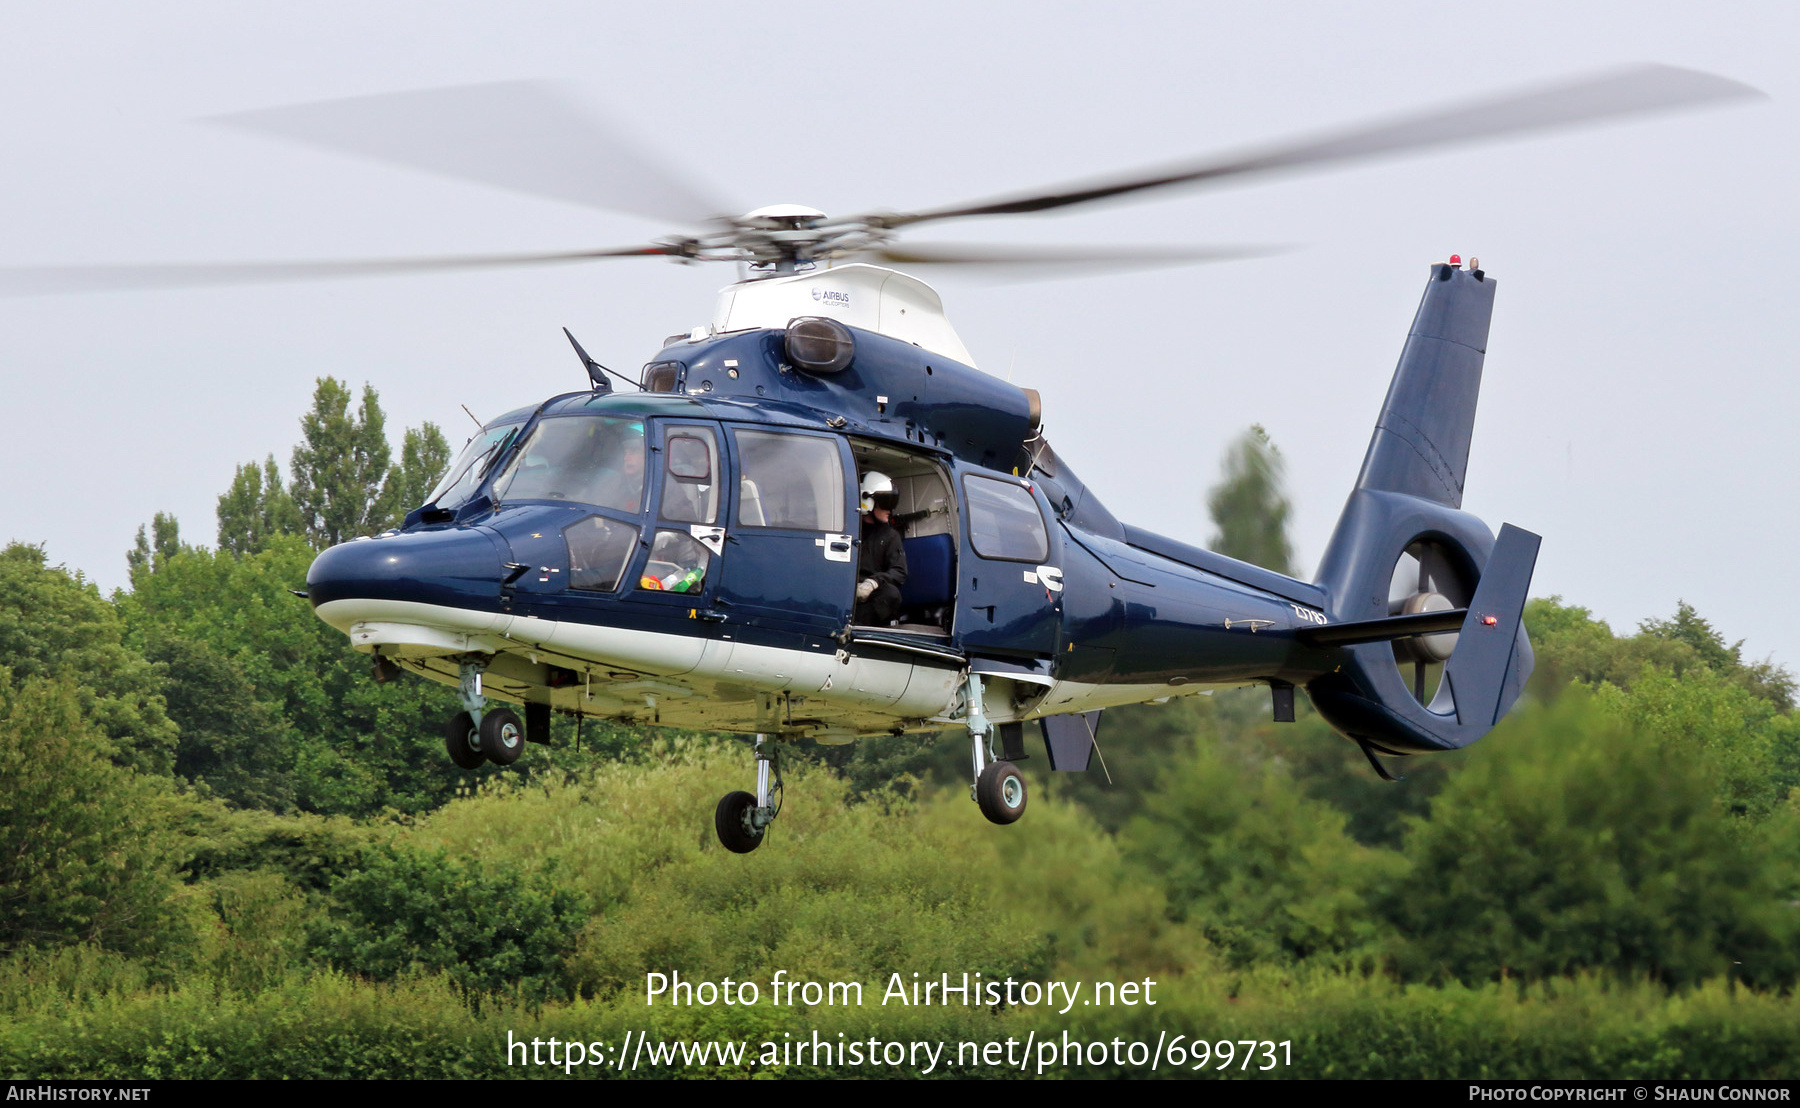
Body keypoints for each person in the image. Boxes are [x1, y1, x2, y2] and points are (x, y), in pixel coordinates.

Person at [855, 471, 907, 625]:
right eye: (885, 503)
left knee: (891, 594)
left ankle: (857, 626)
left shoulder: (891, 536)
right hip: (846, 587)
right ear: (867, 501)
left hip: (872, 594)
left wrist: (873, 582)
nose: (890, 510)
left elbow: (899, 572)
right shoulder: (849, 529)